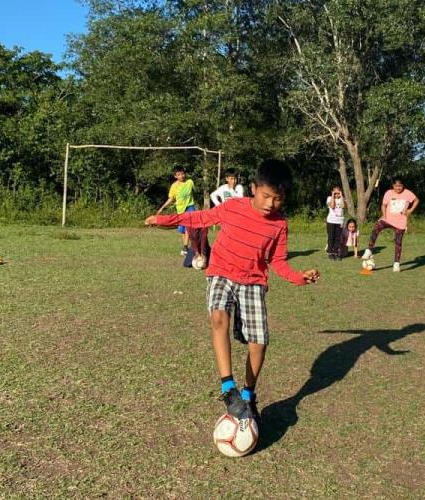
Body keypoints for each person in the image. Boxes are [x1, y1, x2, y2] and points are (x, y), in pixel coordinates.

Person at [145, 159, 320, 425]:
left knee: (259, 342)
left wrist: (299, 277)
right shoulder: (232, 207)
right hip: (222, 273)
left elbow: (278, 261)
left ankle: (248, 395)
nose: (270, 204)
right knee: (218, 318)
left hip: (253, 281)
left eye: (278, 199)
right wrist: (165, 220)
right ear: (253, 188)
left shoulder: (279, 225)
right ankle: (228, 388)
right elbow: (199, 218)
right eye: (266, 196)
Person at [360, 178, 419, 272]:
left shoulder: (408, 193)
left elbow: (416, 200)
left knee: (398, 243)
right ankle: (369, 250)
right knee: (376, 228)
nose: (398, 188)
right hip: (388, 219)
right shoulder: (388, 193)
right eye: (396, 186)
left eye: (400, 186)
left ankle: (396, 264)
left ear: (403, 186)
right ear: (393, 186)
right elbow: (383, 205)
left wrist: (410, 210)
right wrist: (384, 216)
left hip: (400, 222)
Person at [157, 167, 196, 256]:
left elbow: (194, 192)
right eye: (178, 175)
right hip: (180, 209)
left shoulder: (190, 182)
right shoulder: (174, 186)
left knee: (188, 227)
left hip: (190, 207)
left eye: (182, 174)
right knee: (182, 230)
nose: (181, 176)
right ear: (175, 176)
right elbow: (171, 198)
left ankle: (188, 246)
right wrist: (162, 207)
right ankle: (185, 246)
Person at [325, 186, 346, 260]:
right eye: (335, 193)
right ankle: (330, 252)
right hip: (331, 221)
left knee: (338, 238)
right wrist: (333, 195)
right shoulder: (329, 198)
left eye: (338, 193)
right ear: (332, 192)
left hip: (340, 221)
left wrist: (341, 195)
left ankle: (336, 252)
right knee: (331, 237)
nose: (337, 195)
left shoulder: (342, 199)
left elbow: (343, 206)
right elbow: (333, 206)